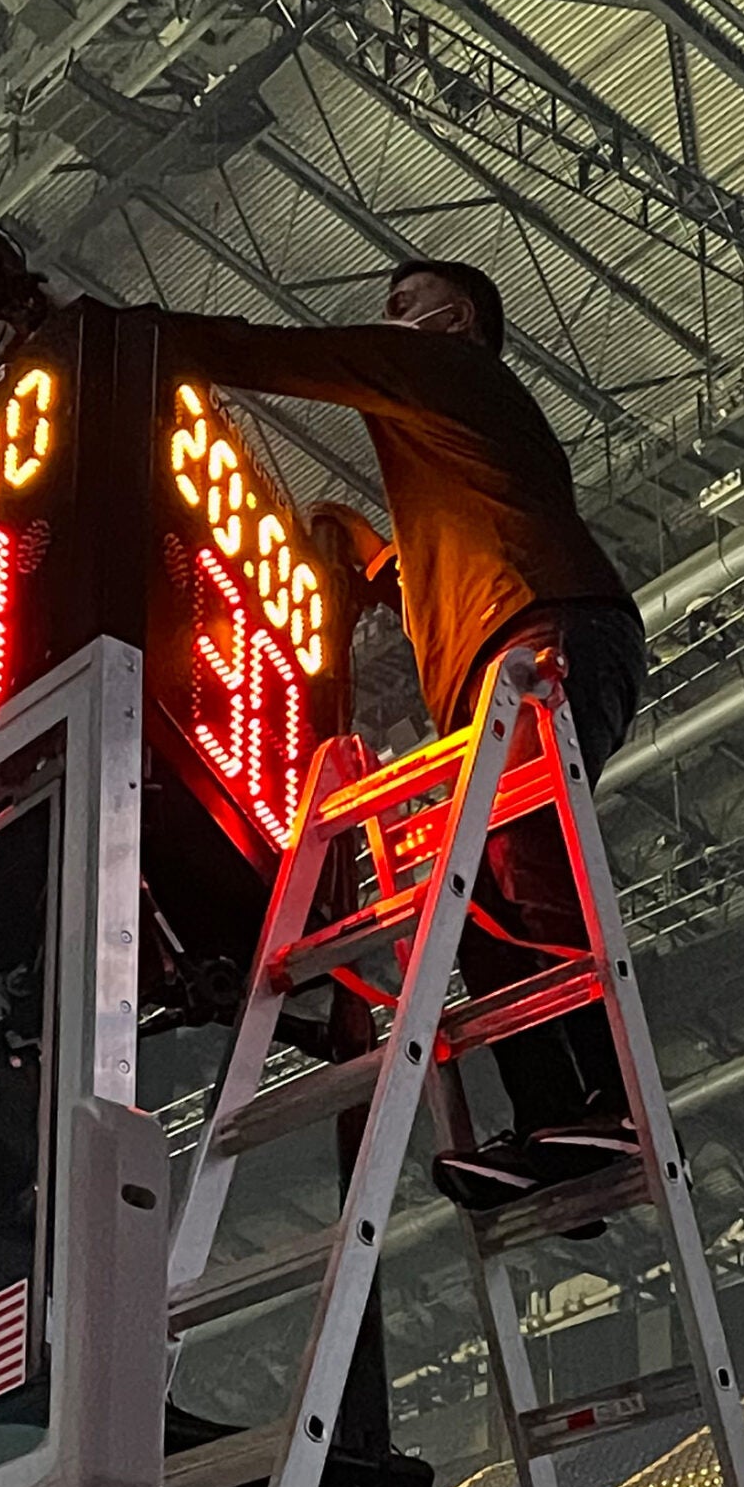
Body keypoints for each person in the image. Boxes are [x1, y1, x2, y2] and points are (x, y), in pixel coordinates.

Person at [160, 260, 650, 1210]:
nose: (386, 321)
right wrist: (369, 556)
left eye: (401, 306)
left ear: (456, 317)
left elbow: (289, 355)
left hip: (547, 633)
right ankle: (556, 1128)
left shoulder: (449, 369)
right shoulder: (462, 452)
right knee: (475, 901)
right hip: (503, 657)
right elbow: (432, 561)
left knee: (528, 857)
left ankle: (611, 1103)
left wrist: (139, 337)